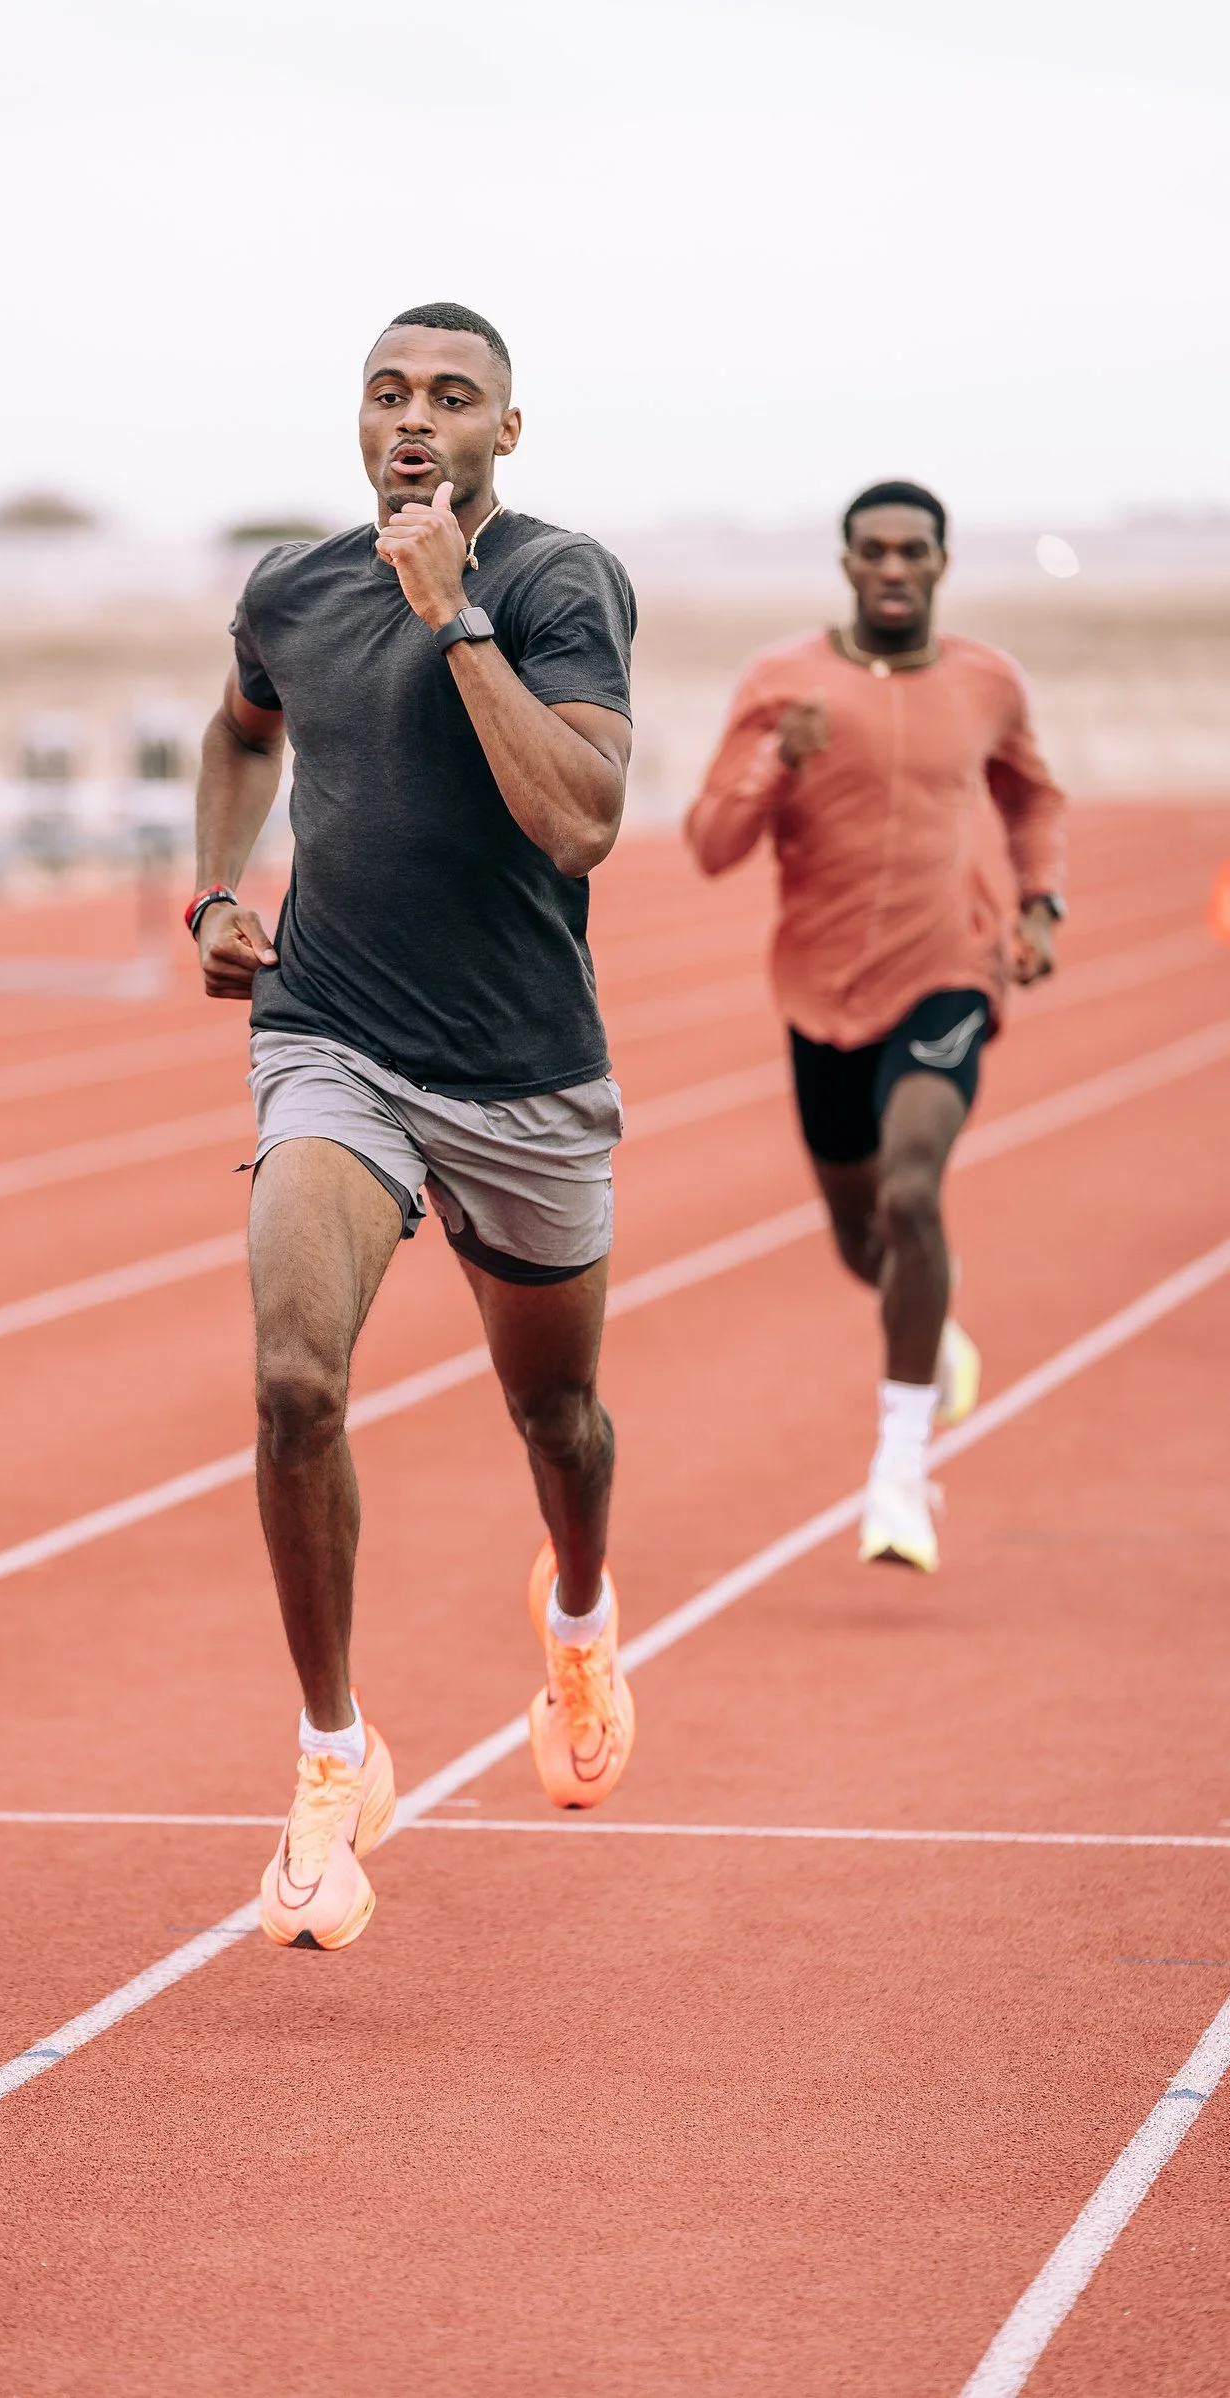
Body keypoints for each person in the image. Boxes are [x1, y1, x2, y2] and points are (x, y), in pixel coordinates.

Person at [189, 302, 639, 1949]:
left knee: (560, 1419)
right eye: (385, 392)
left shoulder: (551, 585)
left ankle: (577, 1611)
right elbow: (244, 726)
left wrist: (455, 622)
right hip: (333, 1040)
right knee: (293, 1378)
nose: (412, 419)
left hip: (522, 1069)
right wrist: (217, 889)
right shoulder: (289, 590)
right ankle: (330, 1751)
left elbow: (578, 820)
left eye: (451, 396)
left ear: (503, 433)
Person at [685, 481, 1067, 1572]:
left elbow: (1034, 797)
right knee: (868, 1240)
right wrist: (775, 759)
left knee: (912, 1189)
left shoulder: (988, 681)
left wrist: (1039, 907)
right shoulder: (782, 682)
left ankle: (901, 1468)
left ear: (942, 563)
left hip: (949, 970)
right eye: (873, 552)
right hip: (819, 992)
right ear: (845, 565)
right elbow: (713, 841)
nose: (893, 568)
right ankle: (927, 1325)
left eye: (913, 551)